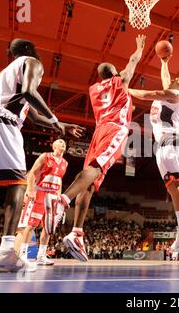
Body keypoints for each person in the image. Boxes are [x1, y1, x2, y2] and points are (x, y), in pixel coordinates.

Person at [0, 39, 84, 272]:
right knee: (18, 183)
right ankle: (6, 253)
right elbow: (29, 93)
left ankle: (6, 253)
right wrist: (54, 119)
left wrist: (60, 125)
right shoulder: (32, 62)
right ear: (32, 50)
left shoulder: (9, 75)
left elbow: (32, 115)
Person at [52, 35, 146, 262]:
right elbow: (132, 62)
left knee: (91, 183)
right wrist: (139, 48)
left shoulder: (94, 89)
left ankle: (76, 233)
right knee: (96, 169)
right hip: (115, 128)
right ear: (114, 72)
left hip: (99, 130)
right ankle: (61, 202)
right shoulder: (120, 80)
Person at [128, 56, 179, 252]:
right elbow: (165, 81)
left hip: (171, 140)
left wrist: (126, 90)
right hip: (163, 143)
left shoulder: (177, 95)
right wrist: (164, 61)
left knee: (175, 184)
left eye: (177, 80)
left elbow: (152, 92)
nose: (173, 79)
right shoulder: (170, 93)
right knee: (171, 186)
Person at [15, 139, 68, 266]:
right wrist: (30, 190)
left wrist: (60, 197)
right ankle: (22, 254)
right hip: (40, 193)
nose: (63, 143)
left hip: (53, 196)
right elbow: (32, 172)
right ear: (54, 145)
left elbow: (59, 180)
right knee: (31, 225)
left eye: (64, 143)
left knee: (48, 228)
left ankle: (41, 256)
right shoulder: (45, 156)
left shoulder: (65, 163)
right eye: (60, 142)